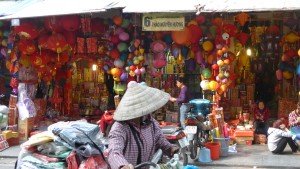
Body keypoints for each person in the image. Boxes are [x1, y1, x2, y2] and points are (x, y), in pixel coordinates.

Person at [107, 82, 179, 169]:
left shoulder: (151, 122)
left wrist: (170, 148)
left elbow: (160, 139)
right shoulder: (120, 127)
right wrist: (122, 166)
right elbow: (114, 152)